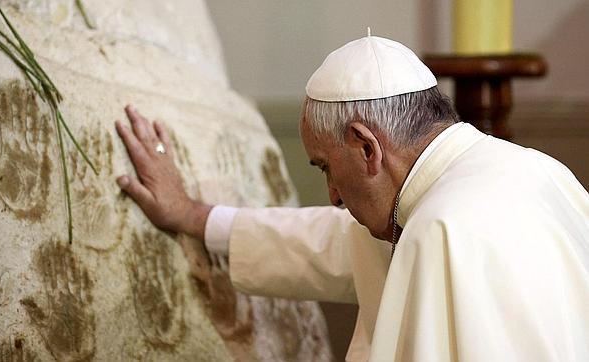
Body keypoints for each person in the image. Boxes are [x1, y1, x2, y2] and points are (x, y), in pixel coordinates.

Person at [114, 34, 589, 361]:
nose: (334, 195)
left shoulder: (441, 227)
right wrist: (190, 214)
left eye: (325, 167)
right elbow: (329, 241)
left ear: (367, 147)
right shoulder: (536, 171)